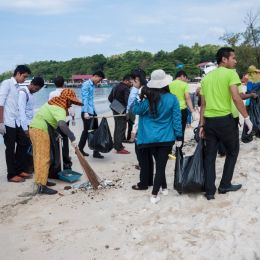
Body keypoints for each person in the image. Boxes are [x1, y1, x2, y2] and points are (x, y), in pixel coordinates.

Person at [199, 47, 253, 200]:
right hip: (225, 121)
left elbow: (203, 105)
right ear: (224, 59)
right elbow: (236, 98)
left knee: (209, 156)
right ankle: (225, 185)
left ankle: (209, 191)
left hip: (209, 122)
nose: (235, 61)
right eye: (233, 58)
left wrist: (201, 125)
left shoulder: (206, 78)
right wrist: (247, 118)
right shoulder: (230, 73)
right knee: (232, 152)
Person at [131, 69, 182, 204]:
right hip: (166, 137)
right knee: (160, 165)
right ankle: (154, 194)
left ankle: (164, 187)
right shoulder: (172, 98)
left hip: (149, 137)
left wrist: (139, 96)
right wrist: (179, 136)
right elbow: (176, 119)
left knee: (159, 163)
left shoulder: (148, 99)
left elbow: (134, 110)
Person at [29, 89, 82, 195]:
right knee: (44, 158)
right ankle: (41, 186)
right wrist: (72, 137)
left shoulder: (52, 103)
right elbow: (62, 124)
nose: (70, 104)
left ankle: (42, 181)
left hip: (36, 128)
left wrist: (56, 134)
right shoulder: (59, 108)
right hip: (40, 130)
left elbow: (49, 120)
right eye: (70, 102)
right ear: (66, 99)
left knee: (39, 157)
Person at [0, 65, 32, 182]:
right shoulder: (7, 83)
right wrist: (1, 122)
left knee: (24, 142)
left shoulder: (18, 87)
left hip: (16, 121)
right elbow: (0, 103)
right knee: (10, 148)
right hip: (7, 122)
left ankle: (19, 169)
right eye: (24, 76)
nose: (25, 79)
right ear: (18, 73)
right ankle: (11, 175)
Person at [18, 76, 45, 173]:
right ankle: (23, 169)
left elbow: (31, 111)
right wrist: (25, 129)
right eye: (36, 89)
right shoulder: (23, 93)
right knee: (24, 147)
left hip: (31, 124)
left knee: (30, 146)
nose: (36, 91)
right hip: (23, 125)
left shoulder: (32, 94)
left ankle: (28, 168)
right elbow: (21, 112)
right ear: (32, 84)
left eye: (38, 90)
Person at [49, 76, 75, 168]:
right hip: (65, 118)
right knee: (65, 138)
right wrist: (73, 118)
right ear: (63, 83)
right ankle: (66, 157)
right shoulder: (67, 92)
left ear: (54, 84)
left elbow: (50, 106)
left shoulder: (52, 93)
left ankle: (59, 158)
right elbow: (70, 106)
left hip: (56, 119)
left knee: (56, 140)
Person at [78, 70, 105, 159]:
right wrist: (85, 112)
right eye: (99, 80)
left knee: (95, 131)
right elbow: (85, 99)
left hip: (92, 111)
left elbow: (90, 100)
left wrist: (93, 112)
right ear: (95, 76)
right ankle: (80, 149)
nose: (99, 82)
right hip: (86, 112)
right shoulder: (86, 84)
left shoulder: (92, 85)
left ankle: (95, 152)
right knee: (86, 131)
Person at [169, 70, 197, 151]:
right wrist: (192, 111)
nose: (185, 80)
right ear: (182, 76)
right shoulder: (184, 85)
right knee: (181, 130)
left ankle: (169, 149)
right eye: (185, 78)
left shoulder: (170, 84)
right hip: (181, 110)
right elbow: (187, 98)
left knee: (171, 129)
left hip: (171, 111)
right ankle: (179, 150)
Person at [108, 74, 132, 154]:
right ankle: (119, 148)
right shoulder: (126, 88)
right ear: (126, 81)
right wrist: (127, 111)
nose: (131, 84)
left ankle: (116, 144)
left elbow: (109, 98)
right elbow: (127, 101)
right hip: (122, 110)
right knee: (121, 128)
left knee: (117, 127)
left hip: (115, 108)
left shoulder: (115, 86)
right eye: (130, 82)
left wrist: (115, 104)